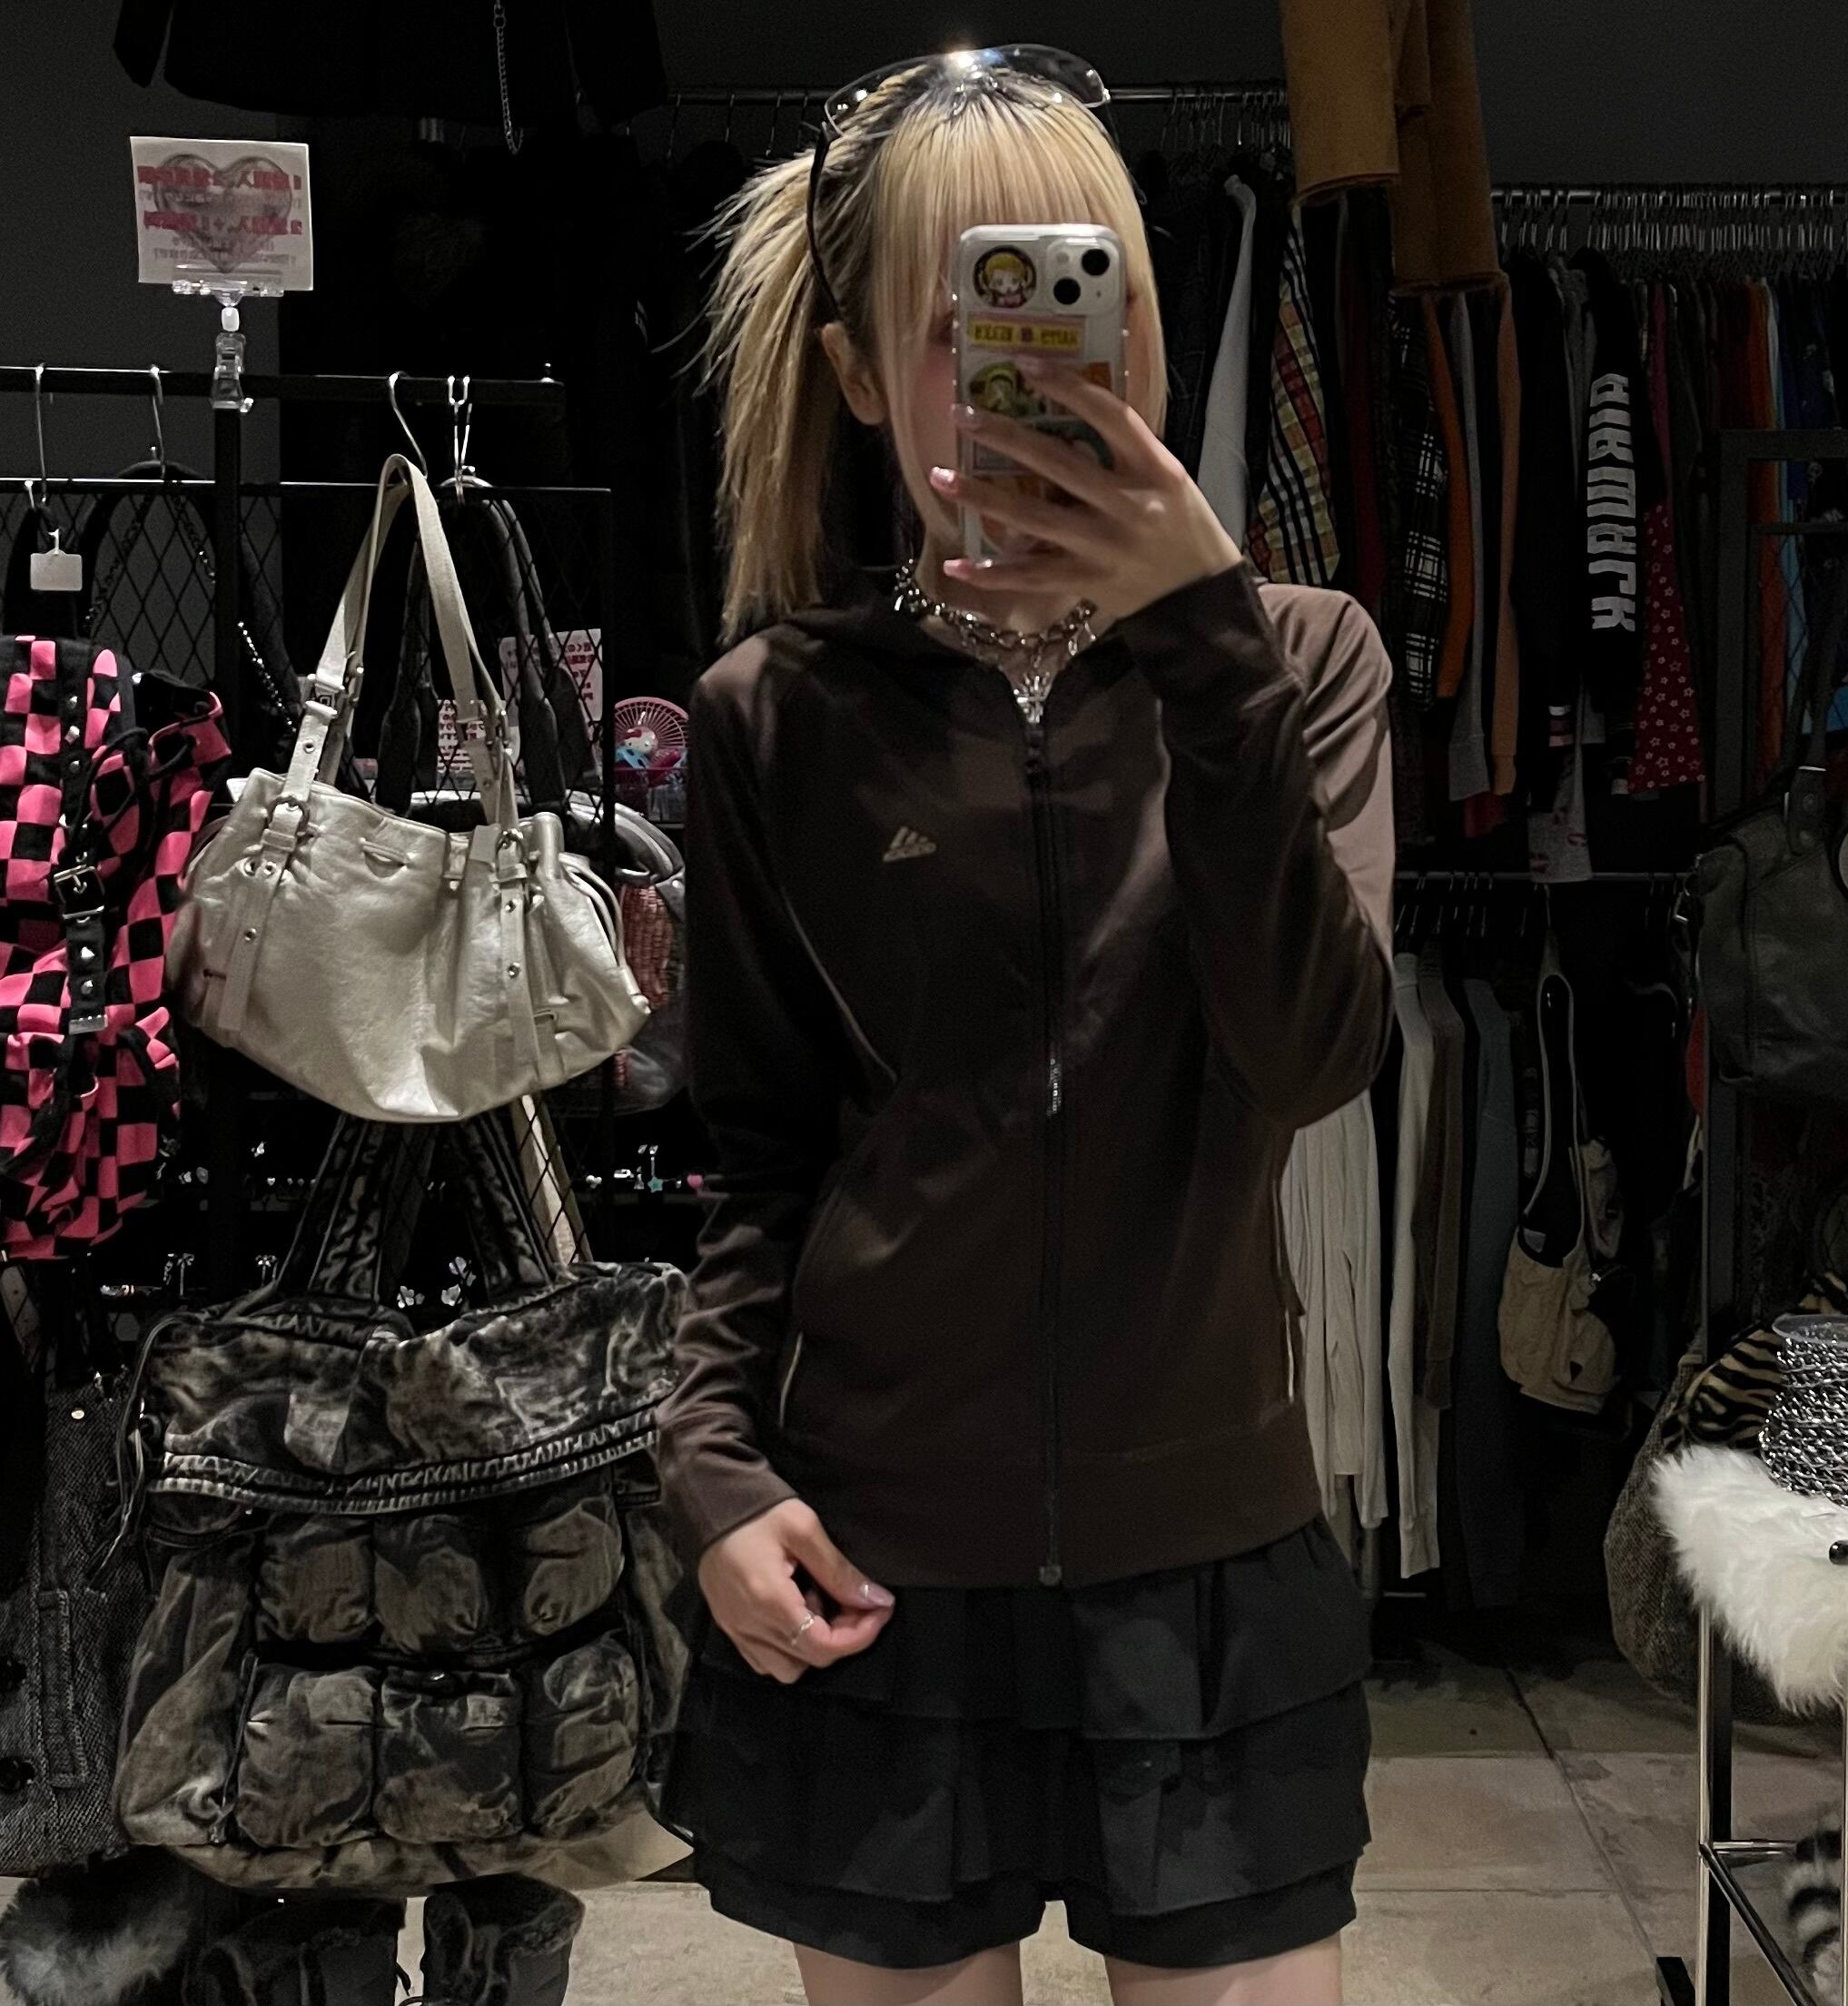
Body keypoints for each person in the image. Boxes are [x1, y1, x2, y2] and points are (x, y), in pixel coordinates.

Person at [657, 45, 1396, 2006]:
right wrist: (713, 1471)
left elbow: (1315, 1055)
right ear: (853, 373)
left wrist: (1202, 635)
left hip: (1207, 1561)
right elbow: (760, 1154)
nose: (1046, 361)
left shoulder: (1297, 661)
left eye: (1088, 297)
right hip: (876, 1561)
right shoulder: (772, 715)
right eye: (968, 318)